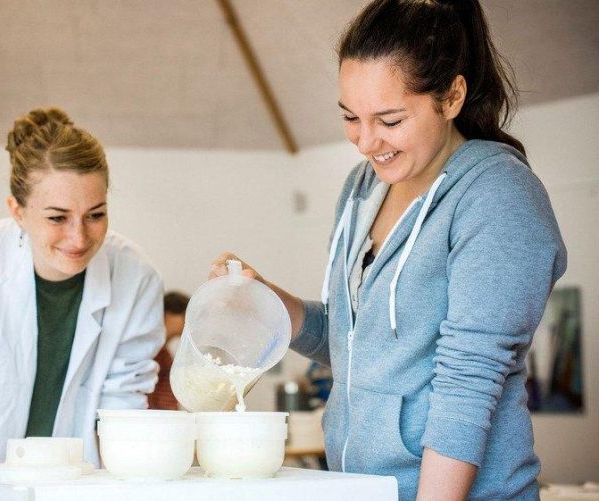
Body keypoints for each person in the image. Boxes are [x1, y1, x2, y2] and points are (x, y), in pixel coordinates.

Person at [210, 1, 567, 499]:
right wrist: (265, 300)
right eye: (350, 117)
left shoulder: (497, 196)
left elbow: (468, 383)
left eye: (390, 120)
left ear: (452, 97)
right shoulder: (362, 190)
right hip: (363, 489)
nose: (365, 142)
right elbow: (354, 344)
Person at [0, 108, 165, 500]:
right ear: (18, 211)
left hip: (77, 481)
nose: (79, 237)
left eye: (95, 215)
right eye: (57, 218)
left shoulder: (135, 276)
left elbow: (120, 410)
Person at [148, 291, 189, 410]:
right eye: (184, 315)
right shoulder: (150, 350)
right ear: (166, 314)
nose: (187, 322)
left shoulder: (163, 352)